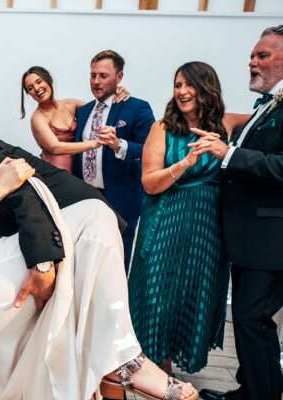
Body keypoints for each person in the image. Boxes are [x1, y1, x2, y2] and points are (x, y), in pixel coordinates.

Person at [0, 123, 199, 400]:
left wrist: (41, 263)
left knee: (43, 343)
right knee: (47, 340)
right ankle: (120, 365)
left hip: (55, 230)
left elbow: (22, 188)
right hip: (22, 254)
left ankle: (114, 367)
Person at [127, 62, 249, 377]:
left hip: (206, 227)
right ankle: (156, 367)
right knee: (157, 294)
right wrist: (185, 163)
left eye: (188, 84)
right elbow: (150, 183)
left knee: (193, 292)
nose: (181, 92)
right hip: (166, 219)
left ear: (206, 87)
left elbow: (269, 123)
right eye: (177, 85)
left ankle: (171, 366)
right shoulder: (162, 128)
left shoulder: (228, 123)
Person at [191, 25, 283, 400]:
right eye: (252, 55)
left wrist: (227, 154)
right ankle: (251, 389)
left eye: (262, 55)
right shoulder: (266, 106)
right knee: (249, 321)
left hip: (271, 238)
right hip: (250, 238)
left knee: (250, 319)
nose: (252, 61)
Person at [72, 50, 155, 268]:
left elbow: (150, 150)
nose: (96, 81)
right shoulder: (83, 111)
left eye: (103, 76)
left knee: (119, 260)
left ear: (119, 77)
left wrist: (119, 144)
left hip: (122, 200)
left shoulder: (137, 108)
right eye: (93, 75)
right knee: (87, 258)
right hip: (86, 198)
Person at [21, 65, 130, 172]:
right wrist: (94, 143)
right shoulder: (37, 118)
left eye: (39, 81)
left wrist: (115, 93)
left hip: (81, 168)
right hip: (58, 173)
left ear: (48, 80)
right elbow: (55, 147)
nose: (36, 88)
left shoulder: (71, 104)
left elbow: (100, 111)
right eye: (30, 88)